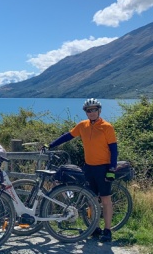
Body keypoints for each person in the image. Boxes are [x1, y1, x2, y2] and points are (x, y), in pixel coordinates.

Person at [48, 98, 117, 243]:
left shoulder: (107, 127)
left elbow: (114, 150)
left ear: (99, 110)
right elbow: (67, 136)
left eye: (94, 110)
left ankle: (108, 230)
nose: (91, 113)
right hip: (89, 167)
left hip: (103, 167)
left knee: (105, 199)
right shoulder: (82, 125)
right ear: (86, 112)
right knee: (91, 199)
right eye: (88, 110)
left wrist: (112, 169)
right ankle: (95, 228)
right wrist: (51, 145)